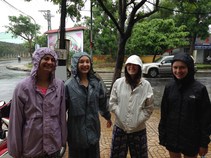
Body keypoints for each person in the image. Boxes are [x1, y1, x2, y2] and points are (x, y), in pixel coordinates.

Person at [7, 47, 67, 158]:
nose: (50, 62)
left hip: (53, 148)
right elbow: (16, 121)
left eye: (53, 60)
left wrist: (63, 140)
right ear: (37, 60)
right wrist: (16, 150)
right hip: (31, 149)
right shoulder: (22, 87)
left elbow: (61, 116)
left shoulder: (59, 85)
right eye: (46, 59)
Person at [158, 52, 211, 158]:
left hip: (191, 139)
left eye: (182, 67)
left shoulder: (199, 89)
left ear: (189, 68)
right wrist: (162, 136)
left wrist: (203, 143)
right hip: (172, 137)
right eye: (175, 67)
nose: (178, 71)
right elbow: (164, 114)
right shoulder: (169, 88)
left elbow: (206, 119)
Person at [65, 52, 112, 158]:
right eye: (81, 62)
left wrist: (107, 117)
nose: (85, 64)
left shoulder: (96, 83)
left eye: (87, 61)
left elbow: (103, 102)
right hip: (76, 135)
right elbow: (62, 110)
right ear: (75, 64)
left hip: (93, 132)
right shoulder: (68, 86)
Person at [109, 55, 154, 158]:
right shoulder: (118, 83)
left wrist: (138, 120)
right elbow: (112, 103)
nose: (131, 67)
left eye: (135, 65)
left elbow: (149, 107)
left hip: (138, 129)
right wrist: (121, 115)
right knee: (117, 155)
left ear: (139, 67)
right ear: (126, 67)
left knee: (140, 155)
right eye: (129, 64)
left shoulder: (146, 85)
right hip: (120, 128)